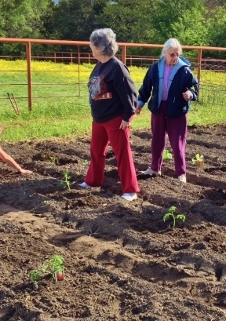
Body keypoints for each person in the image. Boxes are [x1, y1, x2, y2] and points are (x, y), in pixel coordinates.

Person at [80, 28, 140, 201]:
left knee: (122, 153)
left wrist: (127, 116)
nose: (90, 47)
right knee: (96, 151)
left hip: (115, 119)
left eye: (92, 44)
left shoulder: (117, 68)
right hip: (99, 118)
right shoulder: (99, 65)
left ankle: (130, 189)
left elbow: (130, 93)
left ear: (100, 46)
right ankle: (93, 181)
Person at [135, 38, 199, 183]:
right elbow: (146, 87)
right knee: (157, 140)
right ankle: (155, 168)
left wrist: (190, 94)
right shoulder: (155, 68)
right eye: (172, 54)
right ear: (164, 53)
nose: (175, 57)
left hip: (177, 111)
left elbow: (195, 87)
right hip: (158, 109)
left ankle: (181, 173)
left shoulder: (184, 70)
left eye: (177, 54)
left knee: (177, 143)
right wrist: (140, 103)